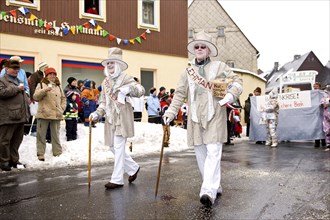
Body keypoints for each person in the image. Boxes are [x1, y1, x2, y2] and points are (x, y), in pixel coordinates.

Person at [162, 30, 243, 207]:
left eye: (203, 46)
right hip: (195, 117)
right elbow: (180, 94)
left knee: (213, 152)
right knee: (201, 155)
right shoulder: (187, 72)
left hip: (215, 113)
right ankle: (216, 185)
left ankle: (207, 191)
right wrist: (170, 111)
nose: (199, 49)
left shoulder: (220, 67)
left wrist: (230, 95)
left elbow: (238, 82)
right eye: (196, 46)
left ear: (208, 50)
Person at [89, 47, 145, 189]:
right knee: (112, 146)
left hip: (122, 118)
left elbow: (140, 90)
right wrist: (97, 113)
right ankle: (133, 168)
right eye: (108, 63)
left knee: (119, 147)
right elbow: (103, 101)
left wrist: (128, 90)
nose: (110, 66)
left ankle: (117, 179)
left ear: (119, 64)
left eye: (112, 63)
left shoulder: (126, 78)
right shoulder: (105, 82)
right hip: (110, 119)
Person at [0, 60, 30, 171]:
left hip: (19, 116)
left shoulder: (18, 80)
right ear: (6, 69)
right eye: (14, 69)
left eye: (17, 69)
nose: (16, 71)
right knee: (5, 140)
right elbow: (2, 93)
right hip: (8, 116)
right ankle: (4, 161)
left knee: (17, 140)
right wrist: (16, 89)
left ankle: (14, 160)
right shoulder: (2, 81)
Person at [33, 67, 66, 161]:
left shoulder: (58, 86)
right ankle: (40, 153)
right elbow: (35, 97)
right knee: (41, 135)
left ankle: (57, 152)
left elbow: (63, 98)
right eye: (50, 74)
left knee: (56, 135)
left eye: (54, 74)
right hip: (44, 113)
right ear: (46, 76)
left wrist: (62, 108)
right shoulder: (41, 84)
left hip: (56, 113)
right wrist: (44, 90)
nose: (52, 76)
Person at [313, 82, 326, 148]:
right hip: (314, 114)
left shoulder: (323, 93)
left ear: (319, 87)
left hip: (322, 113)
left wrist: (323, 104)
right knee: (316, 127)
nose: (315, 87)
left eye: (316, 86)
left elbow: (326, 100)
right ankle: (317, 142)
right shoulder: (312, 94)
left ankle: (323, 142)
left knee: (323, 127)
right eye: (314, 86)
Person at [320, 85, 330, 151]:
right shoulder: (325, 96)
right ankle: (329, 145)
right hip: (327, 115)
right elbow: (322, 103)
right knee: (327, 131)